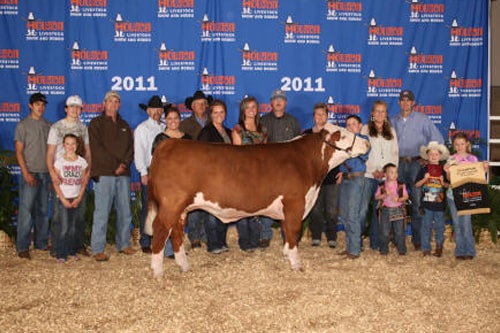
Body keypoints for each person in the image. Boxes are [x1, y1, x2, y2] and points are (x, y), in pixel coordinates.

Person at [391, 90, 444, 251]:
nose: (405, 103)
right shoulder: (392, 120)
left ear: (413, 103)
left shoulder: (423, 119)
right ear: (399, 102)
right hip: (398, 164)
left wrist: (427, 158)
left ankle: (418, 239)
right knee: (396, 202)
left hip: (416, 164)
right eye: (402, 100)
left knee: (417, 202)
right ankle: (397, 238)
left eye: (409, 100)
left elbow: (437, 140)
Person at [88, 91, 135, 261]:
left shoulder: (124, 125)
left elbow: (131, 148)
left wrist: (124, 164)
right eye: (110, 101)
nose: (113, 104)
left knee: (125, 210)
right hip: (104, 172)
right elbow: (96, 149)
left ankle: (124, 244)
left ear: (119, 104)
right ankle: (97, 248)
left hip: (123, 173)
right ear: (104, 103)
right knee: (102, 211)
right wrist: (115, 165)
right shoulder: (96, 123)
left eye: (117, 101)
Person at [46, 95, 91, 257]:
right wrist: (52, 173)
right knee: (59, 216)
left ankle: (77, 247)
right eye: (71, 106)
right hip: (61, 176)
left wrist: (88, 172)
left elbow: (87, 152)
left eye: (77, 107)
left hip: (78, 176)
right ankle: (57, 248)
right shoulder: (56, 127)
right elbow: (50, 152)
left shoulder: (83, 128)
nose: (74, 109)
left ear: (81, 110)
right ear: (66, 108)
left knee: (79, 214)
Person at [259, 89, 301, 246]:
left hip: (289, 170)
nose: (278, 101)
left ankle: (287, 235)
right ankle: (265, 233)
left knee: (289, 203)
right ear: (271, 103)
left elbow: (298, 146)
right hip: (268, 169)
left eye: (281, 99)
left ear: (285, 103)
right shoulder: (263, 121)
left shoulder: (293, 121)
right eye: (275, 99)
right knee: (266, 199)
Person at [14, 92, 52, 259]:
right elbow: (19, 152)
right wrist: (26, 173)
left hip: (45, 172)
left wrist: (51, 173)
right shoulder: (23, 125)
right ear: (30, 105)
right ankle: (22, 246)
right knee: (26, 210)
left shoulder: (48, 125)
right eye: (37, 104)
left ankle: (41, 242)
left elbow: (52, 152)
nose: (40, 107)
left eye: (43, 105)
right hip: (30, 172)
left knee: (43, 210)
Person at [151, 105, 191, 257]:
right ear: (165, 120)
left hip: (186, 183)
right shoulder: (160, 139)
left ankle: (178, 247)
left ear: (180, 120)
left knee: (181, 216)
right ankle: (167, 249)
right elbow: (155, 161)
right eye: (169, 119)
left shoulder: (187, 139)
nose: (173, 121)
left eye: (176, 118)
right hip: (168, 184)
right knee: (167, 215)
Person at [360, 100, 399, 251]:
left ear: (386, 114)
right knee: (362, 210)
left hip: (385, 179)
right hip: (368, 176)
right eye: (377, 111)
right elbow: (362, 152)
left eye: (383, 111)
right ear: (372, 113)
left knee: (380, 211)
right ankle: (358, 241)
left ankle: (375, 242)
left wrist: (390, 173)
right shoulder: (365, 129)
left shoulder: (392, 131)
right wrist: (372, 169)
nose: (380, 114)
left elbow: (395, 154)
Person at [444, 132, 488, 260]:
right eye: (457, 144)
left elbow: (478, 176)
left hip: (467, 196)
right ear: (453, 145)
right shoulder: (451, 159)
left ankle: (470, 250)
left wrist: (484, 169)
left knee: (466, 224)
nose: (459, 146)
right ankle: (460, 251)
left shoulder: (473, 159)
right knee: (457, 225)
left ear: (467, 144)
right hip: (453, 196)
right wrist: (447, 171)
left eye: (462, 144)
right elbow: (449, 178)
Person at [197, 100, 232, 254]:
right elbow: (200, 155)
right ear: (210, 115)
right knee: (212, 211)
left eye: (221, 112)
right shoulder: (206, 132)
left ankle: (222, 241)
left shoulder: (229, 132)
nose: (219, 115)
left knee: (224, 210)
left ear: (225, 114)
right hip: (211, 177)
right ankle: (213, 243)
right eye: (215, 112)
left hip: (227, 177)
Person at [232, 96, 266, 251]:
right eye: (248, 107)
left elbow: (266, 153)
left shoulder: (263, 130)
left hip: (259, 173)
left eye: (254, 107)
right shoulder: (238, 129)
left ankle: (255, 240)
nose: (251, 110)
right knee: (243, 208)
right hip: (243, 174)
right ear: (243, 110)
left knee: (257, 208)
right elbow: (236, 155)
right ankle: (244, 241)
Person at [303, 103, 340, 248]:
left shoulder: (334, 133)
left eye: (323, 114)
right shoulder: (306, 134)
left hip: (331, 176)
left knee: (331, 209)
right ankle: (316, 236)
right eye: (317, 114)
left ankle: (332, 236)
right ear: (313, 117)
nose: (320, 117)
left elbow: (340, 153)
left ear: (327, 116)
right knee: (315, 209)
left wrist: (341, 170)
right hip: (313, 178)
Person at [179, 90, 212, 248]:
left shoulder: (212, 122)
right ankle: (194, 237)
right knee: (193, 204)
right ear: (192, 107)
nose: (202, 106)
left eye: (204, 103)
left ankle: (206, 235)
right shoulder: (185, 125)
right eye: (199, 104)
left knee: (209, 203)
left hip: (211, 168)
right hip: (193, 168)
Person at [134, 95, 166, 254]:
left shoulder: (164, 128)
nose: (157, 111)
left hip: (166, 173)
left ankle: (159, 237)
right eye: (153, 109)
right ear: (148, 111)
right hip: (150, 170)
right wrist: (143, 172)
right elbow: (139, 152)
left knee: (163, 207)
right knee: (148, 206)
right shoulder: (142, 128)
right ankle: (145, 240)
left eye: (159, 109)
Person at [337, 115, 370, 259]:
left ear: (360, 126)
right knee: (344, 215)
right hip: (344, 178)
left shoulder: (364, 140)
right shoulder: (343, 141)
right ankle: (350, 246)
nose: (351, 127)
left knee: (353, 214)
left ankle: (355, 250)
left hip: (356, 178)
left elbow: (359, 155)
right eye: (348, 125)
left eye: (354, 124)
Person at [52, 134, 88, 263]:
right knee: (64, 227)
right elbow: (55, 183)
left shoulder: (82, 162)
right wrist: (62, 199)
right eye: (68, 143)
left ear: (77, 145)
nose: (70, 146)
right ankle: (61, 254)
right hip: (63, 199)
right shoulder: (59, 162)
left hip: (76, 198)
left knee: (73, 228)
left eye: (73, 143)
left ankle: (71, 252)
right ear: (63, 145)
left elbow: (84, 182)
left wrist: (79, 198)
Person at [415, 141, 450, 257]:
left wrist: (442, 182)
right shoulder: (424, 169)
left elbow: (447, 185)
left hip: (439, 204)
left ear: (440, 156)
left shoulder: (444, 170)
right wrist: (424, 180)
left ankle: (439, 247)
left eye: (436, 154)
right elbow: (416, 185)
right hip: (427, 204)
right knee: (426, 226)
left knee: (440, 226)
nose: (433, 156)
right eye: (431, 154)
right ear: (427, 156)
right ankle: (426, 248)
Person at [374, 163, 409, 255]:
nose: (395, 174)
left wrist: (398, 199)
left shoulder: (401, 185)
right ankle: (384, 250)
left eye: (396, 172)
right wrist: (384, 195)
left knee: (399, 232)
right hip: (386, 210)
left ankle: (402, 250)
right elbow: (376, 197)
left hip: (398, 209)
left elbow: (406, 197)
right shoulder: (382, 186)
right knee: (384, 231)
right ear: (385, 174)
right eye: (391, 172)